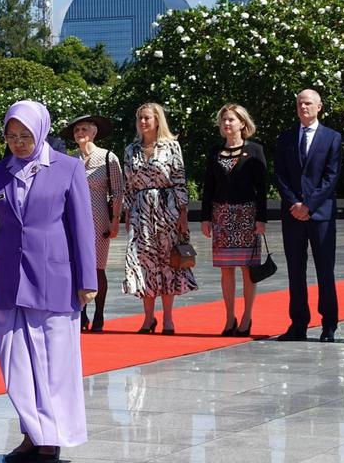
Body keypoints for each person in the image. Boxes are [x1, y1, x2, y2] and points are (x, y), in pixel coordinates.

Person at [0, 101, 96, 463]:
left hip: (54, 279)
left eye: (25, 136)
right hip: (7, 281)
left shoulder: (68, 168)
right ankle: (31, 431)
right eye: (11, 136)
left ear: (41, 131)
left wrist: (87, 279)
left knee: (53, 364)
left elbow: (81, 229)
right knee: (16, 364)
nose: (18, 143)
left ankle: (50, 439)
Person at [121, 102, 197, 335]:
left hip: (167, 208)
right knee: (142, 261)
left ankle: (168, 319)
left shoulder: (171, 146)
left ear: (157, 120)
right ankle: (147, 318)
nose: (143, 122)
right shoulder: (130, 150)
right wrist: (126, 213)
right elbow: (127, 185)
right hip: (140, 210)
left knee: (168, 261)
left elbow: (179, 179)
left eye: (147, 118)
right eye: (140, 118)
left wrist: (183, 213)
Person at [276, 89, 343, 342]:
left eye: (308, 103)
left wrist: (309, 205)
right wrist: (294, 203)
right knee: (295, 270)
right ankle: (298, 324)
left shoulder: (332, 138)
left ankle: (329, 324)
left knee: (325, 270)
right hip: (292, 214)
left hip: (320, 214)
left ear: (319, 107)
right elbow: (280, 175)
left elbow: (331, 176)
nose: (303, 107)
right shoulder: (286, 138)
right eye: (299, 104)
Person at [200, 104, 269, 337]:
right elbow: (208, 186)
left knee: (248, 269)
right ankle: (230, 317)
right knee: (226, 270)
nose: (227, 124)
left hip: (247, 215)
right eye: (224, 120)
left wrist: (261, 219)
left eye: (231, 119)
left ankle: (247, 317)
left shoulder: (256, 150)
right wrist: (205, 218)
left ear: (242, 123)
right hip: (221, 215)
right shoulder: (214, 152)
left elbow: (262, 188)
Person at [62, 114, 123, 333]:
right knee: (77, 266)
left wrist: (115, 220)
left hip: (99, 219)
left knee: (97, 267)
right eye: (77, 130)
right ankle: (82, 313)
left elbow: (117, 192)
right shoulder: (69, 160)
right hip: (74, 219)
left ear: (94, 132)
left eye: (84, 129)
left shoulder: (108, 158)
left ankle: (99, 313)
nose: (80, 134)